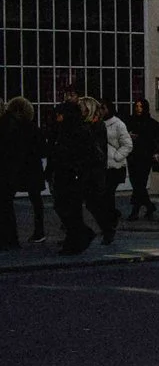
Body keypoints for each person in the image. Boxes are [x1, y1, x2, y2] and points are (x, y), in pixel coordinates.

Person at [45, 99, 111, 255]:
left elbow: (89, 155)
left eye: (60, 114)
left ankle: (77, 238)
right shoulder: (67, 130)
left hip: (73, 176)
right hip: (67, 175)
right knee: (66, 208)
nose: (57, 117)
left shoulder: (79, 131)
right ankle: (76, 238)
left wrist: (78, 172)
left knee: (69, 209)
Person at [0, 95, 43, 247]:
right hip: (26, 168)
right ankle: (15, 238)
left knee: (6, 204)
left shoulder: (9, 124)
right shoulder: (24, 125)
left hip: (14, 169)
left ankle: (10, 240)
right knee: (32, 200)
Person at [122, 97, 159, 220]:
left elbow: (157, 140)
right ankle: (149, 206)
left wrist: (156, 153)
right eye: (137, 106)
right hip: (133, 155)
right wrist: (129, 136)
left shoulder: (152, 124)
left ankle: (135, 210)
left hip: (145, 156)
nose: (138, 109)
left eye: (141, 106)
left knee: (140, 183)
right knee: (136, 183)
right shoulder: (130, 121)